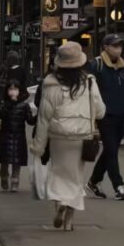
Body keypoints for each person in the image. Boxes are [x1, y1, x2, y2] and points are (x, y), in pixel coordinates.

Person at [30, 42, 105, 232]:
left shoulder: (50, 83)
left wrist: (38, 146)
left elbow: (44, 118)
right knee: (75, 177)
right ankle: (69, 221)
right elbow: (100, 111)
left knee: (58, 173)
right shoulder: (89, 81)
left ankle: (59, 205)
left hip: (58, 137)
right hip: (81, 137)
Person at [85, 34, 124, 201]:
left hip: (120, 114)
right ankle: (118, 186)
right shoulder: (96, 65)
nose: (118, 49)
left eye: (120, 45)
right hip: (103, 114)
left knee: (110, 150)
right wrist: (91, 116)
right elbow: (90, 93)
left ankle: (94, 181)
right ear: (106, 47)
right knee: (111, 149)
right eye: (115, 45)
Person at [0, 79, 34, 192]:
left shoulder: (24, 106)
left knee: (17, 161)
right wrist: (10, 103)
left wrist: (39, 117)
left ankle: (15, 180)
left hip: (19, 137)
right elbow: (1, 114)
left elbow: (30, 120)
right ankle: (4, 176)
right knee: (4, 161)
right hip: (5, 137)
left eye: (15, 89)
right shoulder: (3, 104)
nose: (13, 91)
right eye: (11, 89)